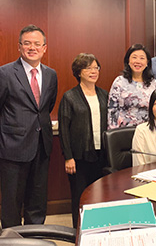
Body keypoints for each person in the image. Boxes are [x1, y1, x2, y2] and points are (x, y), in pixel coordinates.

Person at [0, 25, 58, 228]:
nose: (32, 48)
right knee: (12, 205)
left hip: (41, 147)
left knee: (37, 203)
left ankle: (35, 238)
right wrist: (7, 133)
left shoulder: (51, 75)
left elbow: (45, 107)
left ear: (44, 48)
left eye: (36, 44)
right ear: (19, 47)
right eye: (27, 43)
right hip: (12, 149)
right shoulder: (4, 73)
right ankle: (12, 241)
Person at [58, 53, 107, 228]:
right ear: (79, 72)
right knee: (80, 197)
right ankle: (79, 232)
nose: (93, 71)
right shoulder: (69, 97)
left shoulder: (103, 94)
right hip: (78, 157)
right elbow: (63, 129)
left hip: (101, 155)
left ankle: (98, 230)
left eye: (96, 68)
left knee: (100, 196)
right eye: (88, 68)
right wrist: (68, 157)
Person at [107, 44, 156, 129]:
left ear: (147, 62)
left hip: (146, 132)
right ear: (128, 61)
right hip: (123, 132)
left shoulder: (153, 83)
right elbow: (112, 111)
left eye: (142, 58)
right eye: (134, 57)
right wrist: (113, 133)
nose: (138, 61)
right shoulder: (119, 82)